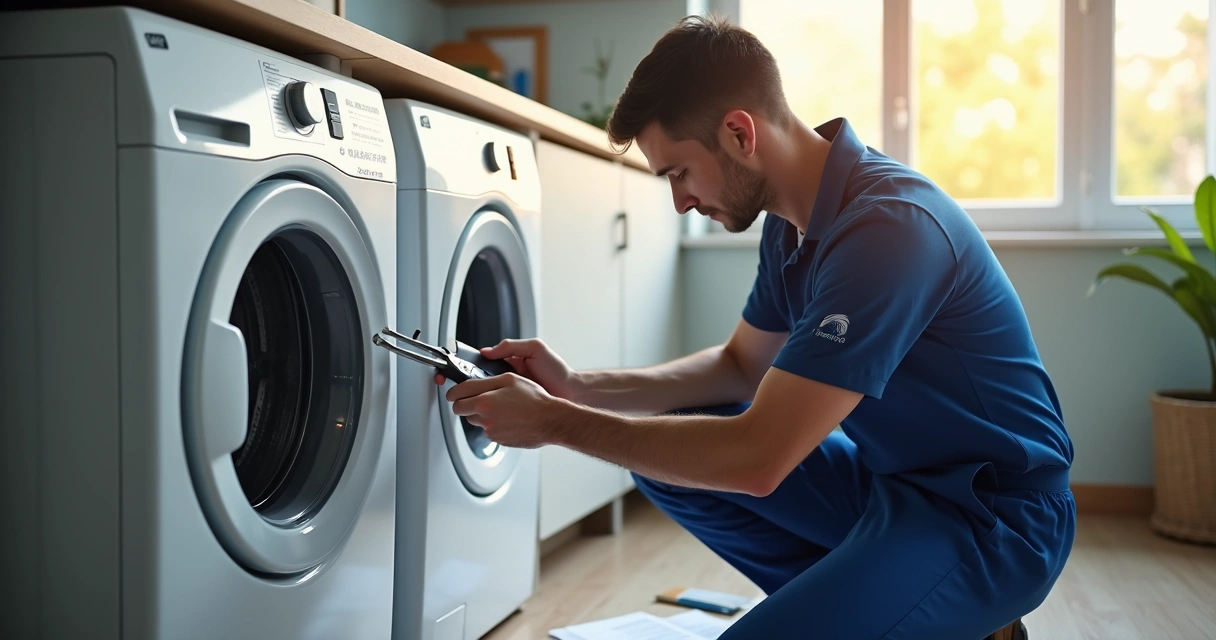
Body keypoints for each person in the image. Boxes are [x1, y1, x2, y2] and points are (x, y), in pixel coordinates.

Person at [439, 14, 1075, 640]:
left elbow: (760, 460)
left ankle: (921, 606)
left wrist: (555, 423)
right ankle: (883, 604)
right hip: (892, 488)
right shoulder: (789, 226)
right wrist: (577, 387)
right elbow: (739, 367)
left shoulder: (889, 228)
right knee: (669, 445)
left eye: (678, 173)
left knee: (716, 460)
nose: (679, 202)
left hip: (993, 518)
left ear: (740, 133)